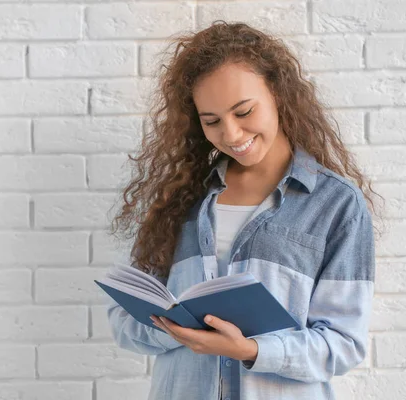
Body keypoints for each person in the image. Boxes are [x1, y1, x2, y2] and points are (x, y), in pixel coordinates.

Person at [106, 20, 383, 400]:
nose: (232, 135)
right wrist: (177, 328)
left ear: (279, 95)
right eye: (212, 121)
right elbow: (124, 323)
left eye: (244, 111)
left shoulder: (335, 204)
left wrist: (250, 351)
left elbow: (343, 343)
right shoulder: (180, 199)